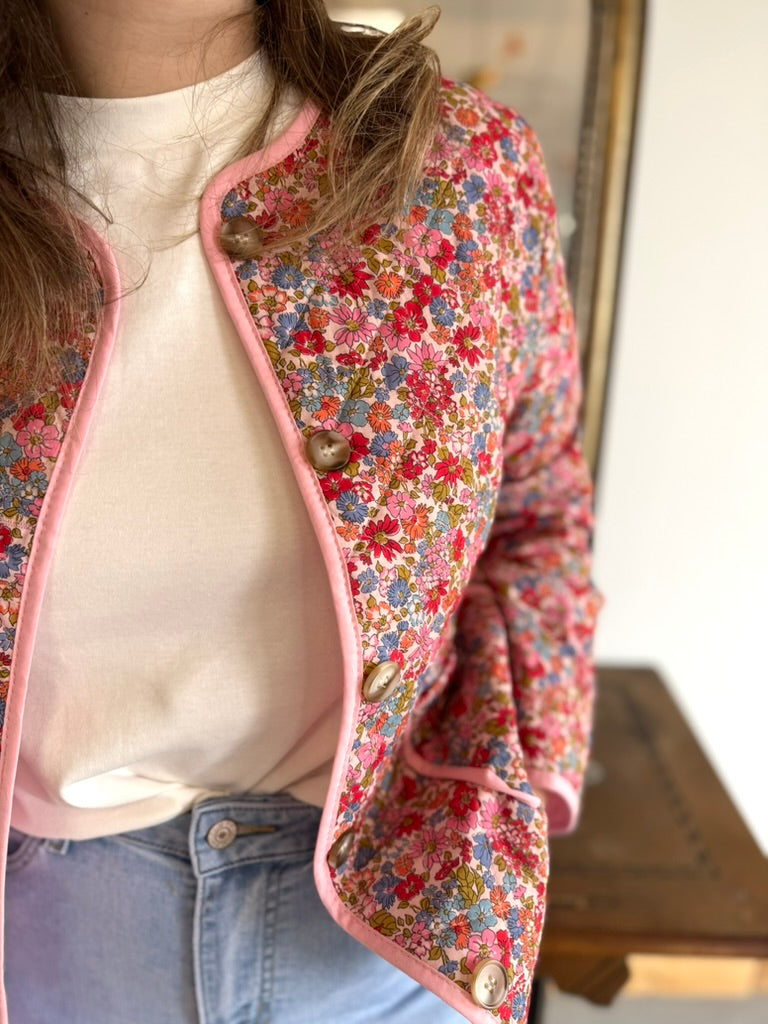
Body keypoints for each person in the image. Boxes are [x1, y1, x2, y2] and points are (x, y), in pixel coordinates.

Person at [0, 1, 601, 1022]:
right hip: (46, 948)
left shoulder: (460, 168)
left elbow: (538, 508)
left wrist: (526, 779)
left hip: (400, 936)